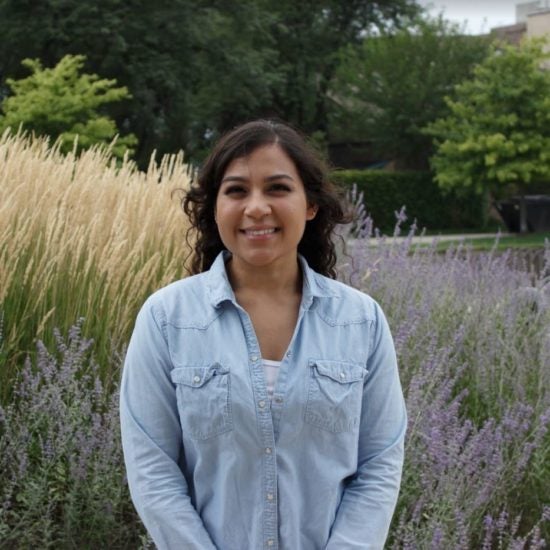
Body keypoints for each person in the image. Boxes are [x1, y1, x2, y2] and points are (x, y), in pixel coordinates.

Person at [120, 120, 407, 550]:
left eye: (277, 188)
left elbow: (379, 464)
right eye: (236, 191)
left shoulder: (360, 321)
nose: (256, 207)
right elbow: (153, 472)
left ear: (310, 204)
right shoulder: (166, 319)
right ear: (214, 208)